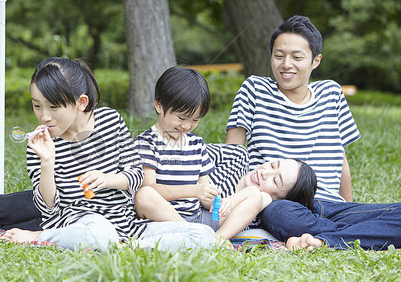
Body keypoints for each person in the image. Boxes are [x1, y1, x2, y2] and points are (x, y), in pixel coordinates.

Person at [0, 57, 217, 252]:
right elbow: (48, 209)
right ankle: (42, 239)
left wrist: (108, 179)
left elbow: (135, 176)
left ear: (80, 103)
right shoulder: (41, 144)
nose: (44, 117)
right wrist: (47, 161)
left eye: (53, 108)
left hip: (127, 228)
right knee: (98, 232)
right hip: (82, 224)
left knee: (203, 236)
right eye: (37, 106)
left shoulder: (111, 121)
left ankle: (121, 246)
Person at [225, 15, 401, 250]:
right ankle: (360, 237)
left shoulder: (331, 93)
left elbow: (340, 159)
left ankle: (322, 240)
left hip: (331, 206)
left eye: (297, 57)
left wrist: (348, 206)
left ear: (315, 60)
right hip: (282, 204)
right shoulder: (254, 90)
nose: (286, 64)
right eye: (279, 55)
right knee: (279, 212)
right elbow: (232, 155)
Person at [133, 66, 317, 242]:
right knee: (144, 195)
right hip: (164, 218)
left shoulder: (196, 144)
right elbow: (151, 188)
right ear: (159, 105)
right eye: (181, 118)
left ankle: (216, 239)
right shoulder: (146, 143)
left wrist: (214, 200)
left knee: (253, 193)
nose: (187, 126)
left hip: (199, 218)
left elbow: (204, 193)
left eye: (195, 120)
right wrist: (195, 191)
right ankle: (195, 236)